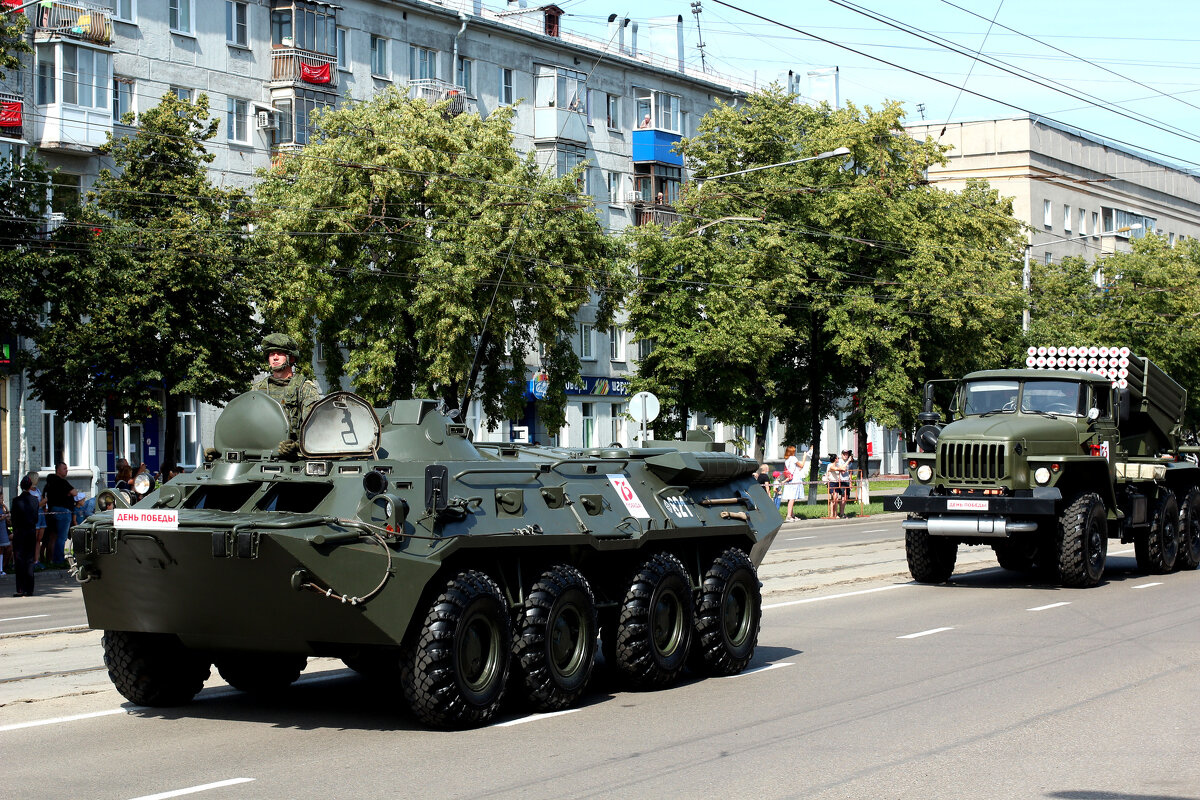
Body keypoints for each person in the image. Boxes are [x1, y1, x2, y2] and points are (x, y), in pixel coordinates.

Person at [252, 332, 321, 448]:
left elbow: (314, 428)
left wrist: (297, 446)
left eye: (280, 353)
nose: (275, 357)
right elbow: (246, 424)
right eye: (271, 354)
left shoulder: (304, 388)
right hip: (261, 451)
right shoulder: (257, 390)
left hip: (295, 456)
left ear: (291, 358)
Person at [43, 461, 78, 568]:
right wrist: (68, 493)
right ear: (58, 470)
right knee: (61, 538)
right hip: (63, 512)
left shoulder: (49, 483)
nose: (66, 470)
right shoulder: (62, 482)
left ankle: (50, 559)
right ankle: (58, 560)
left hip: (52, 511)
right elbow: (74, 493)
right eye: (64, 468)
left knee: (53, 536)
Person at [12, 475, 40, 597]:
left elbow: (14, 519)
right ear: (30, 486)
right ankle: (30, 589)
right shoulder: (35, 500)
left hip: (19, 533)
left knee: (19, 560)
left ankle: (20, 589)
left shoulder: (16, 501)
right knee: (29, 560)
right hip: (31, 532)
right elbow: (36, 518)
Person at [782, 445, 809, 522]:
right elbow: (802, 465)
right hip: (794, 480)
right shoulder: (793, 458)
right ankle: (789, 516)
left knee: (790, 498)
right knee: (792, 498)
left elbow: (796, 469)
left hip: (789, 480)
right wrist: (804, 457)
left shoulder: (787, 460)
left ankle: (792, 514)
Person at [0, 488, 10, 576]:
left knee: (2, 549)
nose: (2, 500)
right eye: (0, 498)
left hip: (2, 531)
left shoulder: (2, 508)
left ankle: (1, 568)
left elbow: (7, 513)